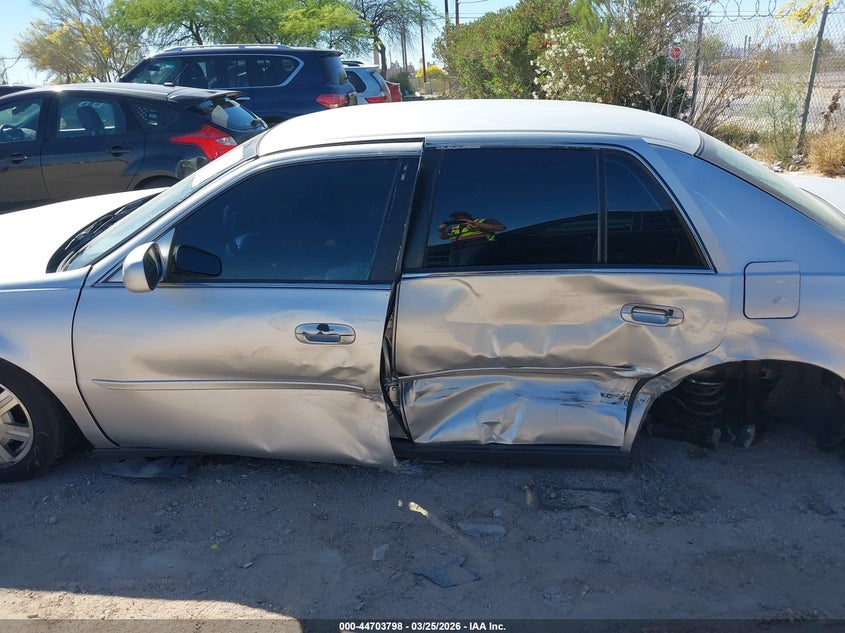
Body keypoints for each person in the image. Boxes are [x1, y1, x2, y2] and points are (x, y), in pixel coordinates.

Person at [437, 212, 506, 265]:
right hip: (455, 250)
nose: (457, 219)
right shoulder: (455, 227)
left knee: (463, 269)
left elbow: (501, 228)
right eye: (455, 218)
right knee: (452, 270)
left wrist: (475, 224)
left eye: (460, 217)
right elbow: (444, 237)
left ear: (469, 216)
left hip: (475, 246)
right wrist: (442, 230)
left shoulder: (482, 221)